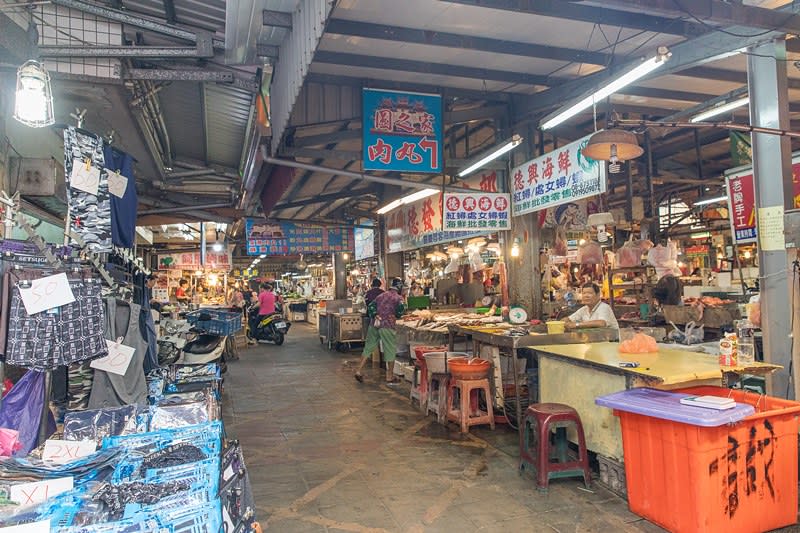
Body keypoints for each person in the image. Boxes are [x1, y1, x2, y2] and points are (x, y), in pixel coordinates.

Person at [354, 278, 406, 384]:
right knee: (390, 349)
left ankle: (358, 371)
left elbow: (371, 306)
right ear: (400, 287)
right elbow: (400, 311)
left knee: (368, 347)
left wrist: (375, 315)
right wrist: (396, 314)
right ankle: (389, 376)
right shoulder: (398, 298)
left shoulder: (381, 295)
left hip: (375, 324)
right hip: (387, 325)